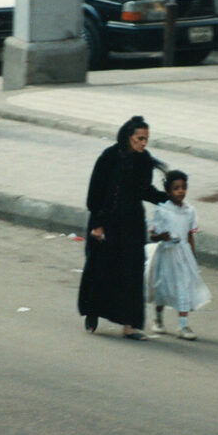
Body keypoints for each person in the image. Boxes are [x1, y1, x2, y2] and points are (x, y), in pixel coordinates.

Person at [78, 116, 168, 341]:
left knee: (133, 271)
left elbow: (144, 190)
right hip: (106, 221)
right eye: (140, 138)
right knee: (101, 269)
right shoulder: (109, 157)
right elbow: (95, 192)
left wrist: (167, 200)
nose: (144, 143)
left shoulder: (144, 160)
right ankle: (93, 311)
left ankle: (130, 326)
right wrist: (98, 224)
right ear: (128, 137)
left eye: (146, 139)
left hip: (132, 223)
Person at [146, 170, 211, 340]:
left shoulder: (189, 211)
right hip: (166, 253)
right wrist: (162, 236)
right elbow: (152, 235)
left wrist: (193, 256)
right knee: (162, 286)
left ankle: (183, 325)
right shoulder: (162, 210)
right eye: (176, 188)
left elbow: (189, 235)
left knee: (184, 287)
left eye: (183, 188)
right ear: (168, 191)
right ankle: (158, 319)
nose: (180, 191)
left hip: (183, 254)